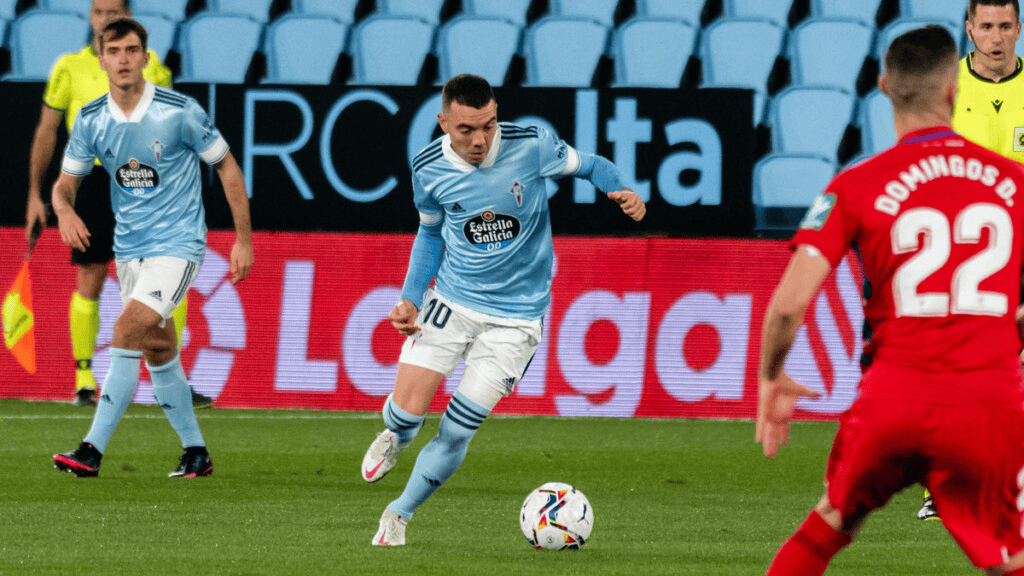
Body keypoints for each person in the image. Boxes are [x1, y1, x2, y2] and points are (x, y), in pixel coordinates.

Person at [756, 26, 1024, 575]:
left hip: (893, 399)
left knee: (828, 525)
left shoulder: (856, 184)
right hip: (987, 404)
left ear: (882, 86)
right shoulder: (1014, 181)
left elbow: (787, 304)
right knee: (1009, 556)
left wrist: (771, 377)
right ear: (954, 90)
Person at [361, 73, 645, 546]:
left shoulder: (532, 145)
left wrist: (621, 189)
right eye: (466, 129)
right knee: (406, 415)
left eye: (488, 126)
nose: (480, 140)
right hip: (452, 300)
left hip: (517, 319)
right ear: (443, 123)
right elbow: (429, 232)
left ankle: (398, 514)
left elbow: (591, 165)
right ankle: (396, 435)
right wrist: (410, 297)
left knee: (457, 430)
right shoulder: (428, 167)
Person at [50, 18, 253, 478]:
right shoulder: (91, 118)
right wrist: (63, 211)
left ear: (146, 58)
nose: (123, 59)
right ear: (101, 59)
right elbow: (65, 185)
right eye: (114, 51)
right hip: (129, 250)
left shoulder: (180, 112)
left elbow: (226, 166)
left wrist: (243, 239)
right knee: (158, 348)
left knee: (126, 329)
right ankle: (196, 453)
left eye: (131, 50)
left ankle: (91, 450)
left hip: (178, 244)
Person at [24, 0, 210, 408]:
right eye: (98, 11)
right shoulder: (69, 67)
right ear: (90, 17)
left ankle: (172, 377)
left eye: (113, 11)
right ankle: (84, 379)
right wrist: (36, 194)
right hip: (91, 181)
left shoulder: (152, 64)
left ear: (127, 15)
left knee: (164, 277)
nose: (104, 18)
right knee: (91, 275)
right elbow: (47, 130)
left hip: (141, 180)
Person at [915, 0, 1024, 521]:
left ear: (1019, 29)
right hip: (962, 252)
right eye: (986, 26)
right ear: (969, 29)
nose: (996, 38)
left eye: (1005, 26)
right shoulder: (946, 89)